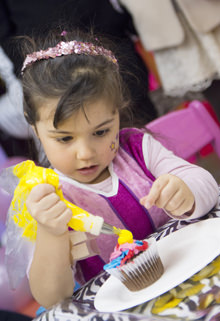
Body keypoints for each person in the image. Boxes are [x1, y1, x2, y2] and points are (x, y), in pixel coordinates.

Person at [8, 28, 219, 309]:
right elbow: (52, 298)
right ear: (34, 128)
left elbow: (208, 187)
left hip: (193, 278)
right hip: (126, 310)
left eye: (100, 132)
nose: (85, 154)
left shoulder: (138, 148)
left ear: (117, 114)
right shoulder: (46, 198)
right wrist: (50, 232)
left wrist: (187, 191)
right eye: (65, 138)